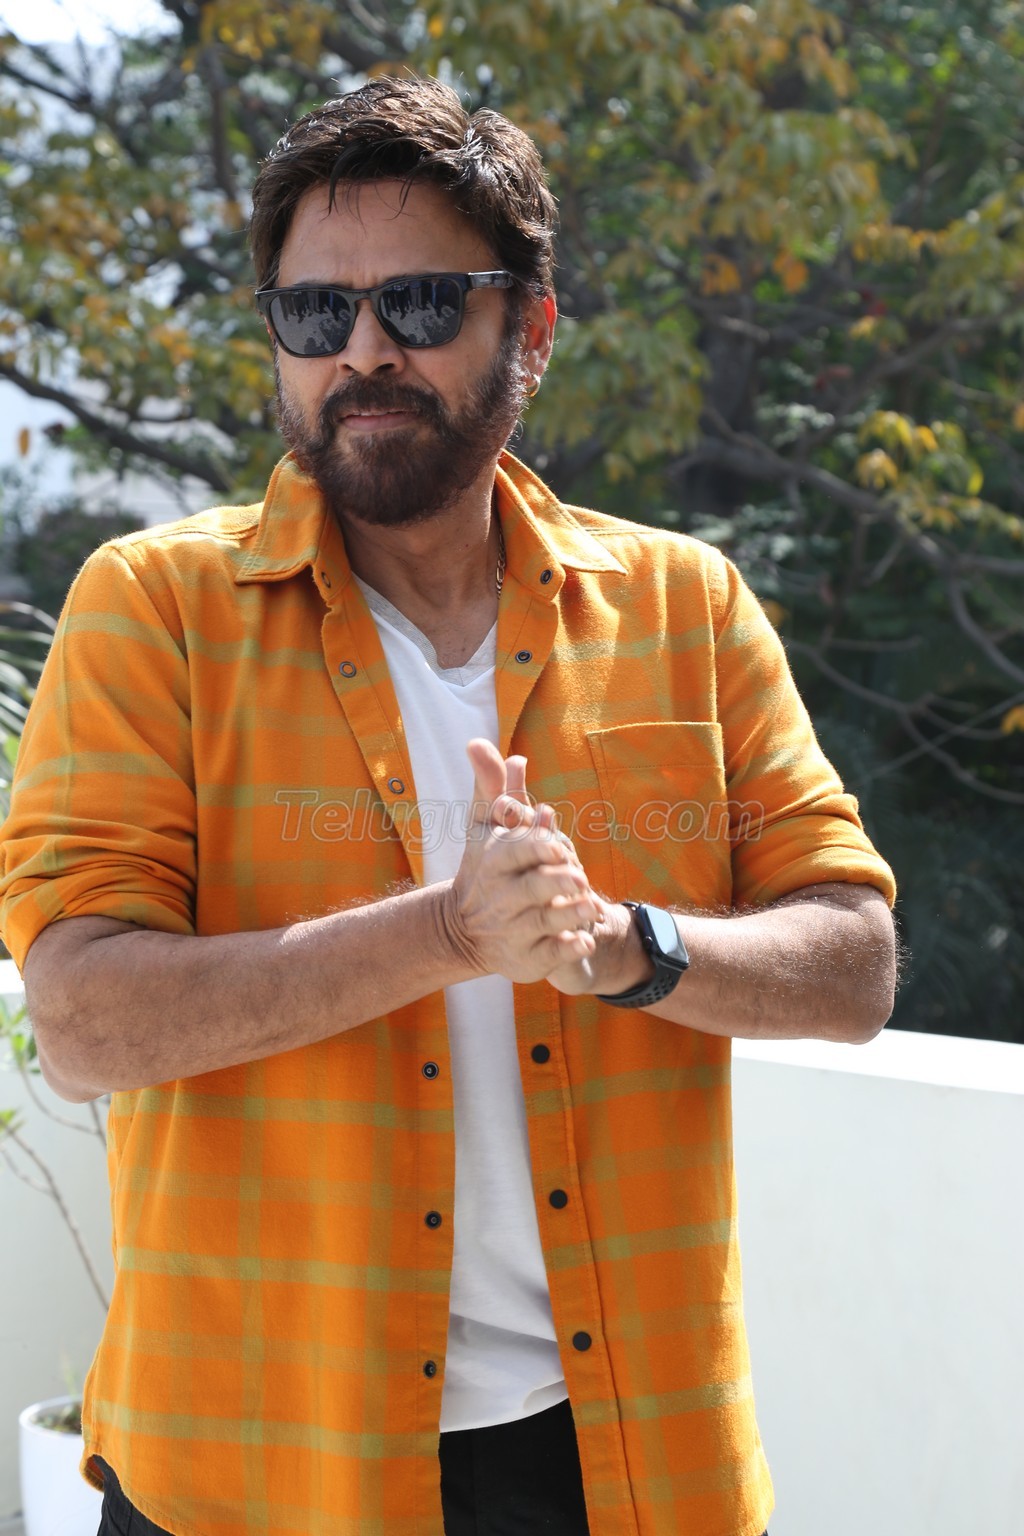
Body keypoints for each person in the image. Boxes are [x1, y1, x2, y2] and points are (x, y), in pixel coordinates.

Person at [0, 75, 897, 1536]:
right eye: (315, 314)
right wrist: (449, 934)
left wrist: (626, 947)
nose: (363, 351)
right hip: (254, 1466)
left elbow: (853, 963)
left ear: (527, 331)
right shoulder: (152, 610)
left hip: (618, 1464)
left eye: (418, 304)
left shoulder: (685, 608)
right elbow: (87, 1022)